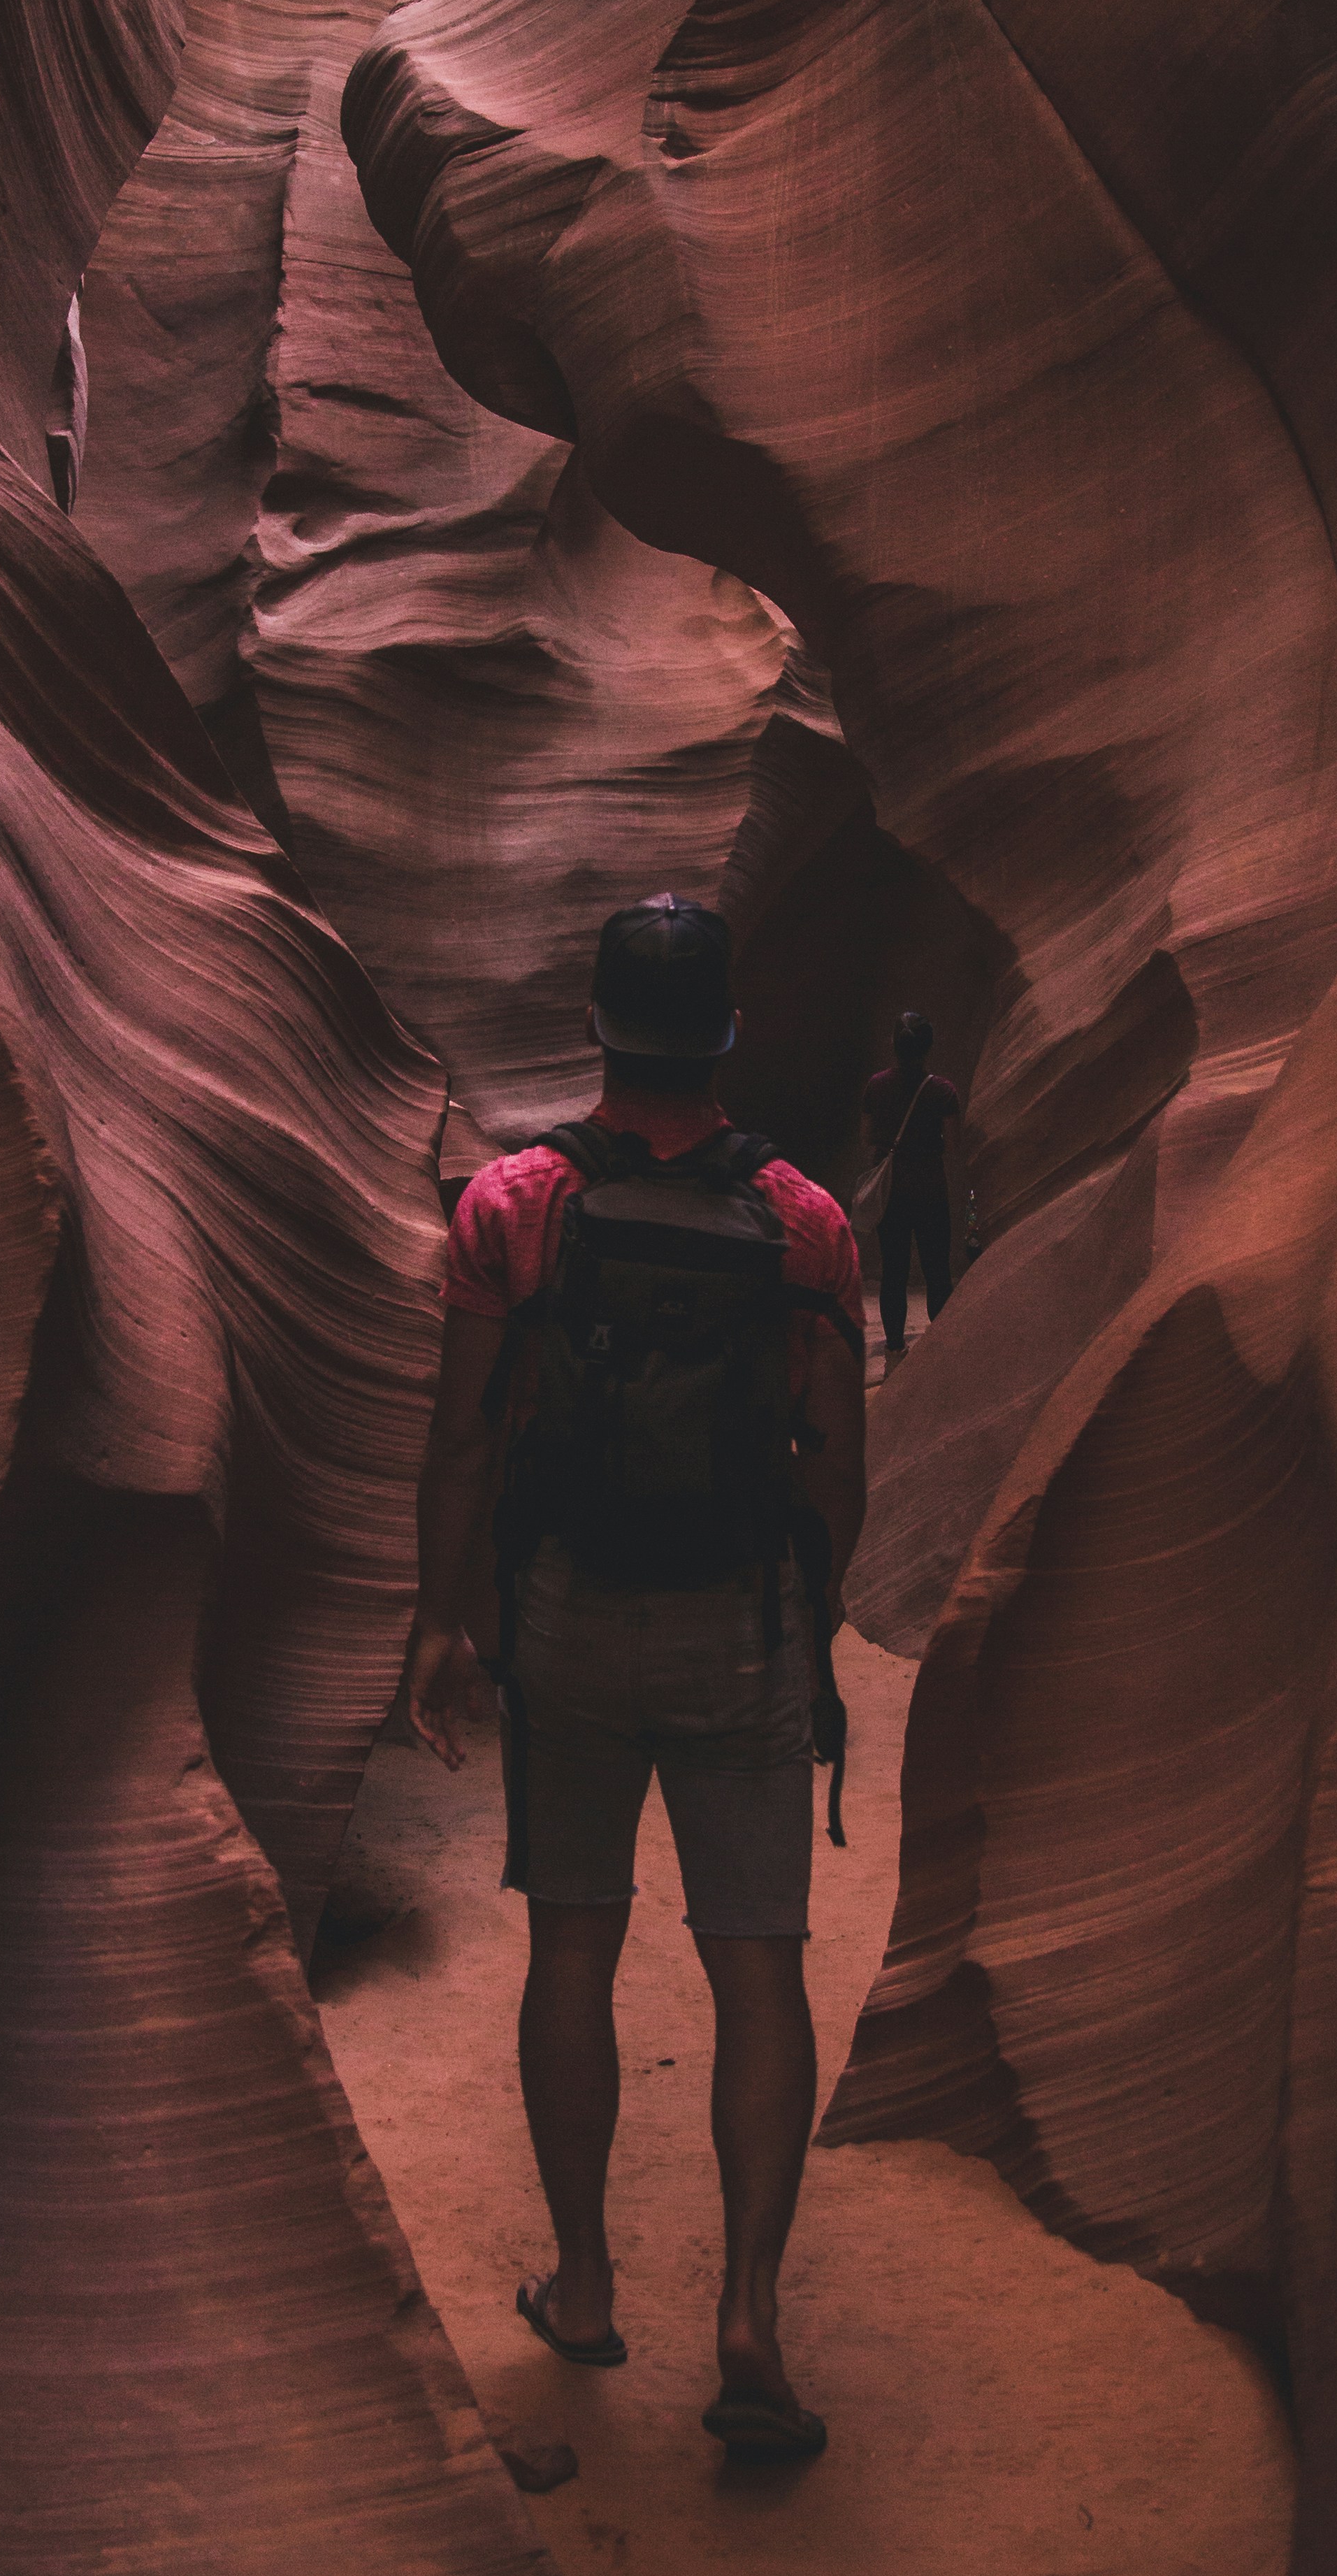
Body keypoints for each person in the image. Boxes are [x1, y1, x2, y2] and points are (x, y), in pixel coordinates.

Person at [392, 896, 866, 2461]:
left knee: (574, 1952)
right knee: (757, 1968)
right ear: (725, 1037)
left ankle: (586, 2286)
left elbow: (463, 1439)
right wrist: (810, 1619)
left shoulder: (514, 1206)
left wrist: (446, 1623)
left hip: (570, 1619)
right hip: (739, 1625)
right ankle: (746, 2313)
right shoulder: (805, 1221)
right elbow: (835, 1463)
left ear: (599, 1029)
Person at [859, 1009, 960, 1365]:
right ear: (928, 1046)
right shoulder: (943, 1091)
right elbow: (952, 1144)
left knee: (894, 1273)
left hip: (892, 1194)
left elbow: (868, 1136)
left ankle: (894, 1353)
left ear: (894, 1045)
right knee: (937, 1271)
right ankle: (941, 1355)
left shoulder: (876, 1086)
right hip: (930, 1187)